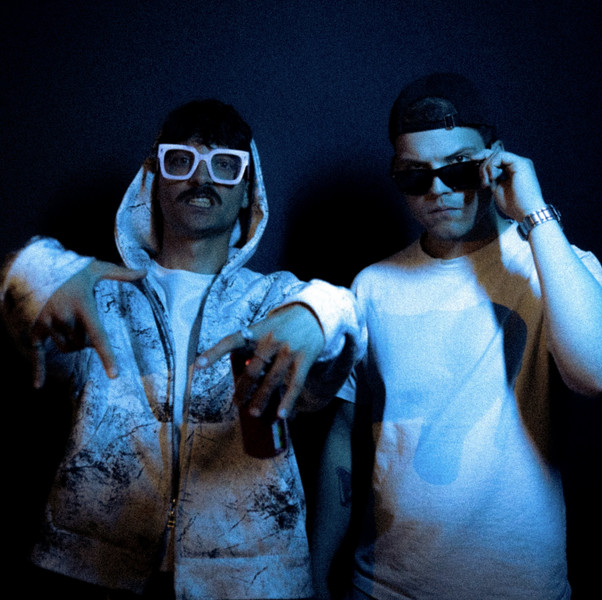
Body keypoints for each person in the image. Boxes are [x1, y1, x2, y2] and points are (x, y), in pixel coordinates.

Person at [1, 99, 365, 600]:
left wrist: (319, 312)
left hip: (247, 582)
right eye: (181, 160)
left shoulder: (277, 301)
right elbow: (16, 289)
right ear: (153, 180)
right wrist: (40, 271)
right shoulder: (99, 294)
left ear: (248, 191)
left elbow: (344, 329)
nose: (201, 177)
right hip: (93, 567)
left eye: (225, 164)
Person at [311, 73, 602, 600]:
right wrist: (315, 569)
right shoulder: (372, 286)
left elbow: (601, 373)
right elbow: (345, 434)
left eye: (459, 167)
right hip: (383, 586)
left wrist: (533, 212)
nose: (438, 190)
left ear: (495, 160)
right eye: (415, 176)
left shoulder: (552, 265)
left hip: (520, 589)